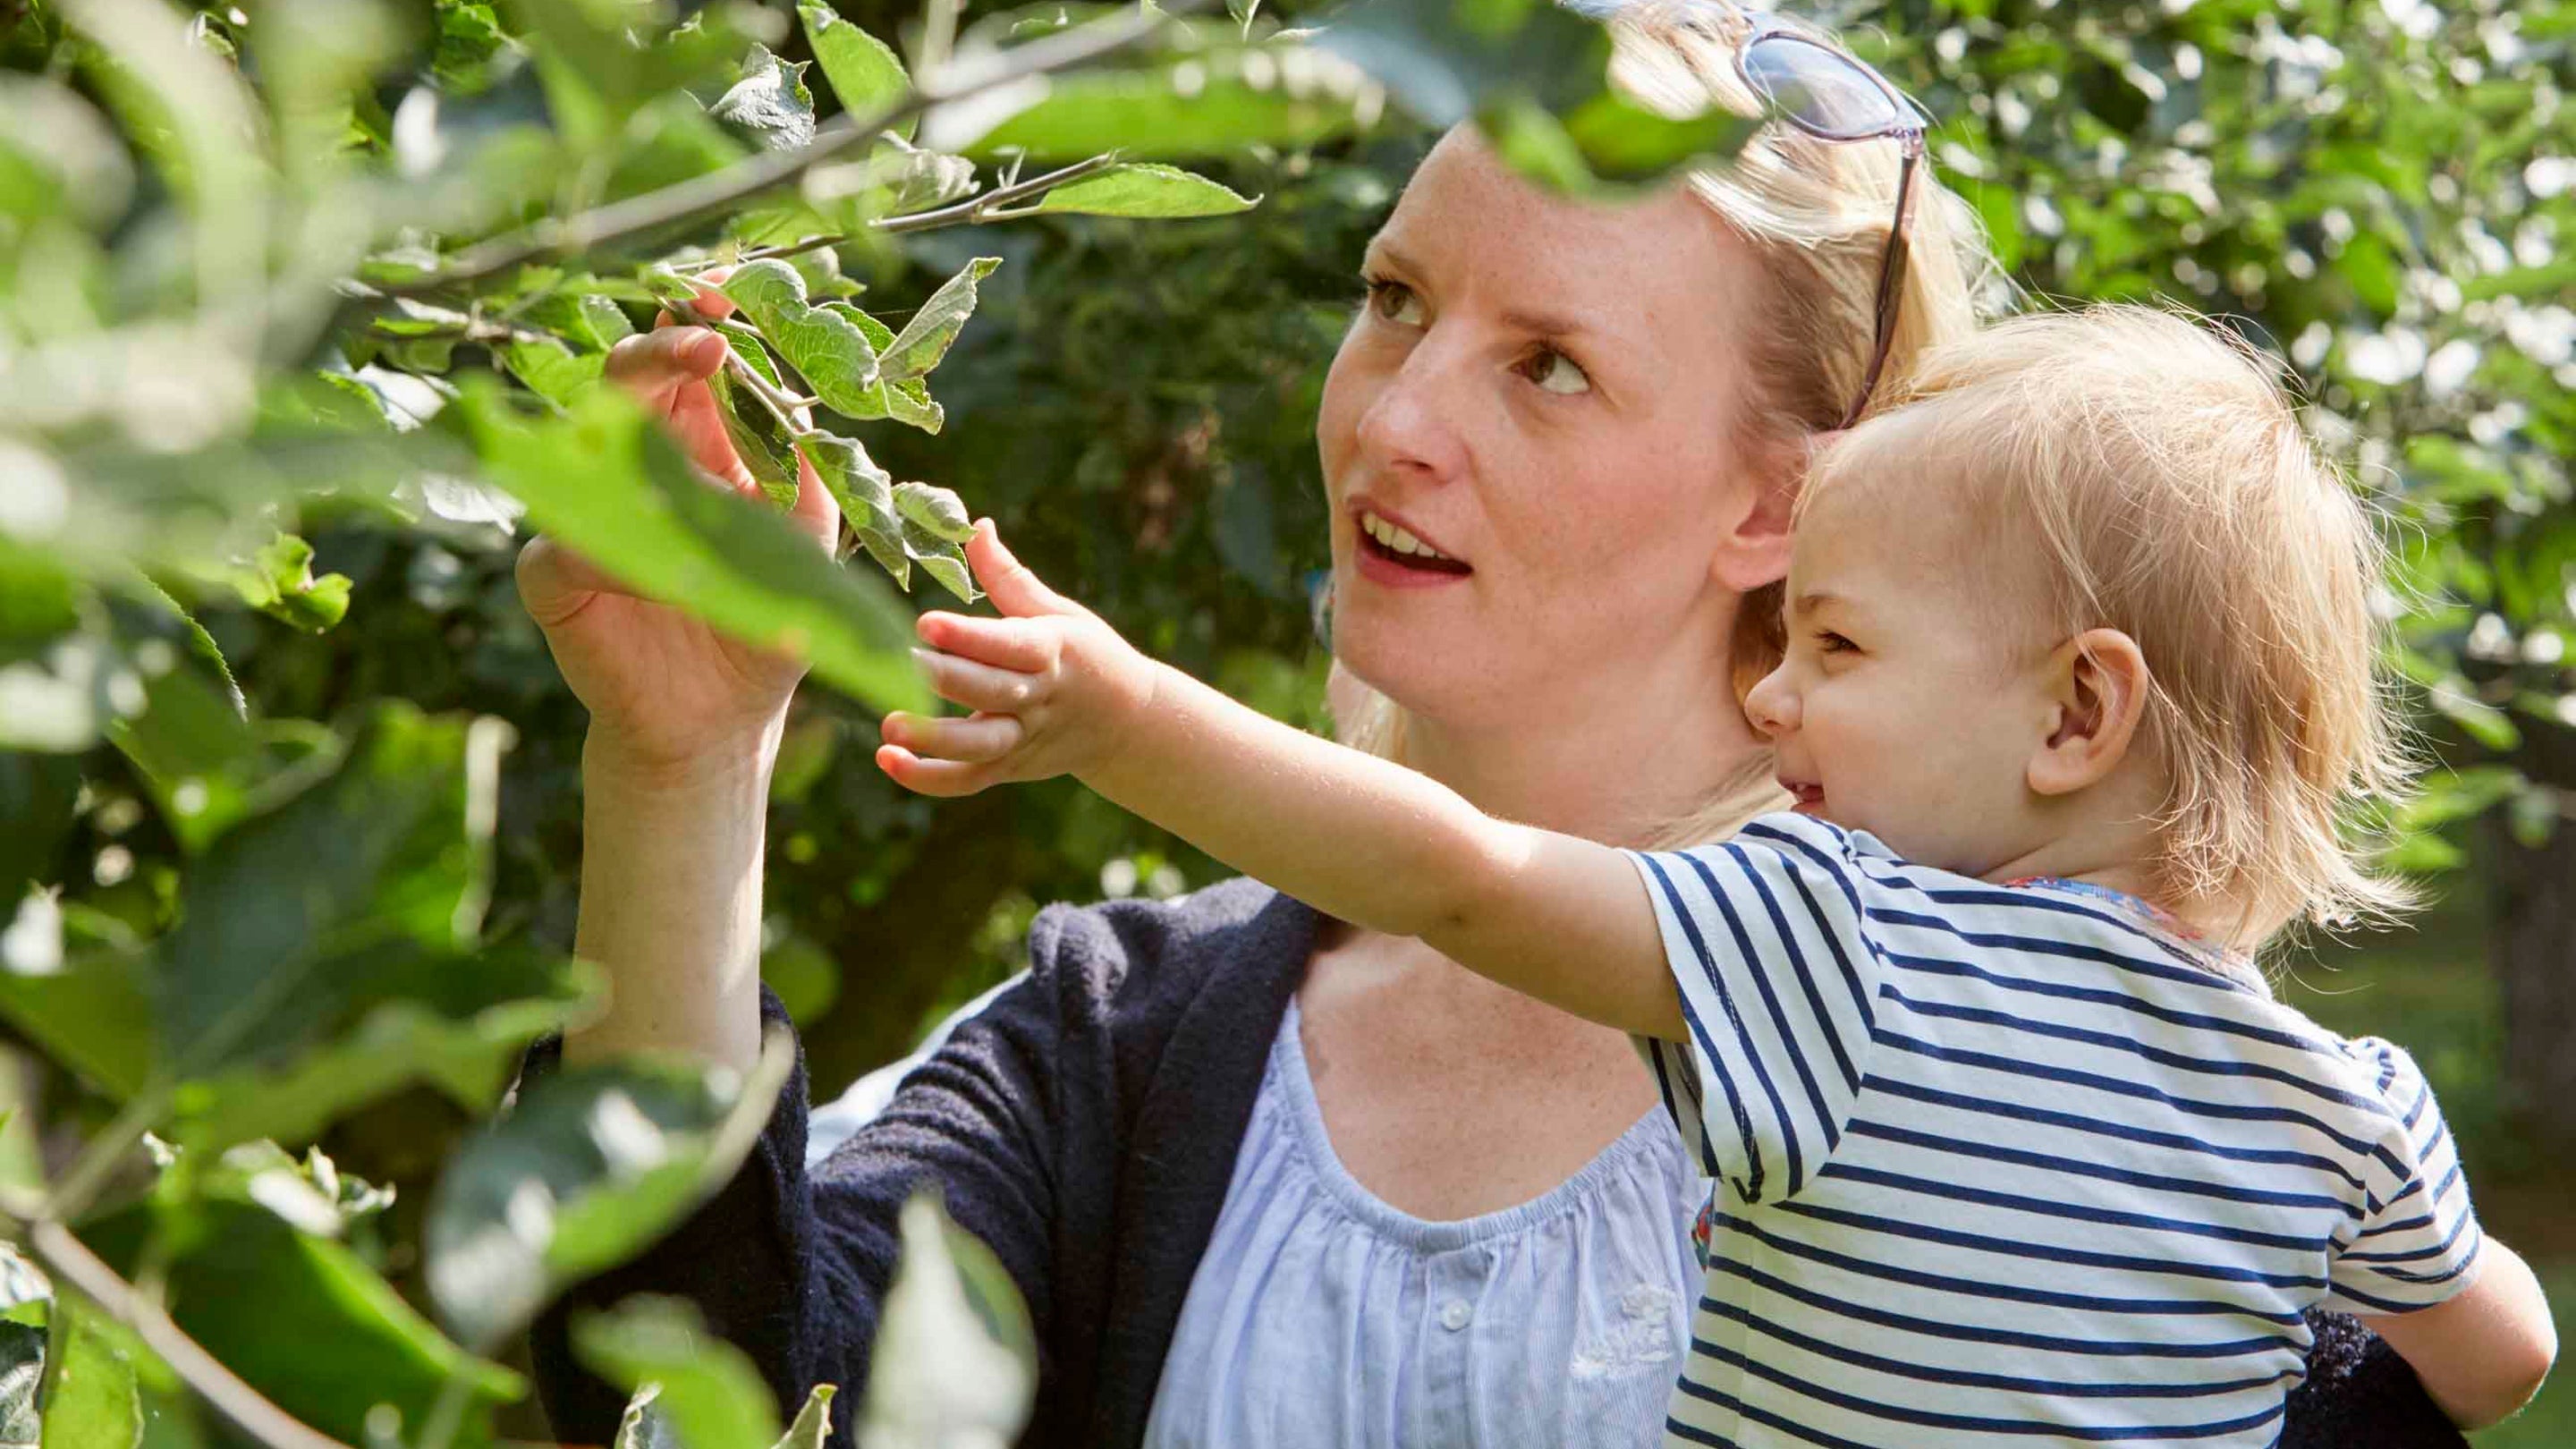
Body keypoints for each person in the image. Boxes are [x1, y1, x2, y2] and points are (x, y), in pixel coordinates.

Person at [511, 1, 2469, 1443]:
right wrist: (680, 766)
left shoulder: (2072, 1078)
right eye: (1393, 297)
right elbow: (693, 1403)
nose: (1390, 416)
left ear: (1784, 505)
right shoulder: (1129, 1048)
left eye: (1545, 365)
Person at [874, 304, 2559, 1444]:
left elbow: (1461, 879)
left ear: (2077, 714)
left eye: (1834, 643)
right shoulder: (2343, 1106)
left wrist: (1126, 719)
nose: (1774, 694)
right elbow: (2502, 1355)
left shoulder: (1850, 944)